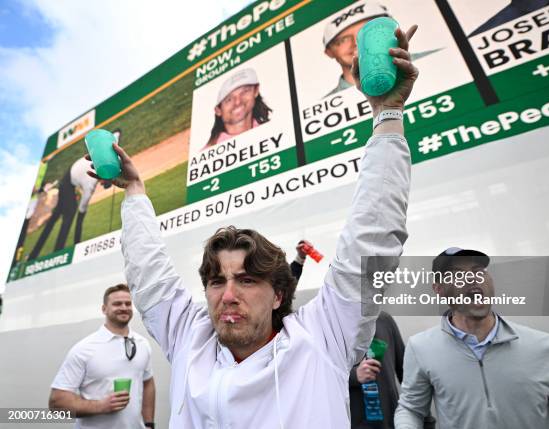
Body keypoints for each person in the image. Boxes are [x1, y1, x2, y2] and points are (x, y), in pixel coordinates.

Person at [88, 24, 418, 428]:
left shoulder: (323, 338)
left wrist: (387, 116)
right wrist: (135, 192)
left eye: (246, 281)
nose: (227, 295)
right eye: (216, 282)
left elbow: (374, 236)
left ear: (278, 295)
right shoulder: (190, 338)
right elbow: (148, 274)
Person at [395, 247, 549, 428]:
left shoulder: (544, 346)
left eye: (479, 270)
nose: (472, 278)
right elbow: (411, 408)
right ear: (439, 289)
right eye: (458, 274)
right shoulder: (421, 347)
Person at [49, 284, 156, 429]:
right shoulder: (84, 349)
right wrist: (101, 406)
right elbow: (57, 403)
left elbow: (148, 382)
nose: (124, 307)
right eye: (117, 303)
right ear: (104, 309)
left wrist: (149, 423)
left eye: (128, 304)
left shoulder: (143, 344)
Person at [323, 1, 438, 97]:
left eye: (370, 32)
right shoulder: (326, 103)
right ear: (329, 52)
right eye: (343, 40)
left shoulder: (437, 59)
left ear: (392, 31)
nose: (358, 43)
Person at [29, 157, 108, 259]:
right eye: (103, 182)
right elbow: (82, 209)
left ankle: (33, 255)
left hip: (67, 179)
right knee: (70, 214)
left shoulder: (98, 163)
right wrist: (78, 242)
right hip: (68, 183)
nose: (101, 184)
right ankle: (57, 254)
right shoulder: (91, 184)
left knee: (54, 218)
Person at [204, 68, 272, 149]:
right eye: (228, 99)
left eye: (244, 92)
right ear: (218, 110)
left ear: (256, 90)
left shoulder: (270, 131)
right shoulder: (210, 150)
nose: (238, 102)